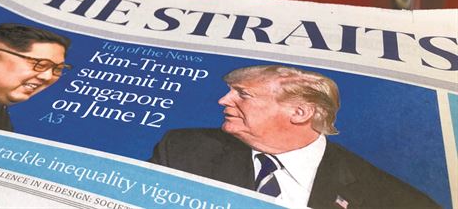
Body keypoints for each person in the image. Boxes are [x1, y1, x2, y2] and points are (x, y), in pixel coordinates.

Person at [149, 65, 439, 208]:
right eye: (229, 90)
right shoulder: (183, 149)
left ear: (300, 113)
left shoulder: (396, 200)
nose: (223, 100)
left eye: (243, 94)